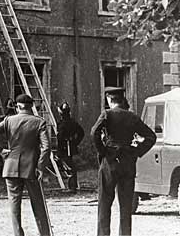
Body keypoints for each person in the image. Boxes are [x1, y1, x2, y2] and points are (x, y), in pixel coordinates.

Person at [90, 87, 156, 236]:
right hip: (128, 162)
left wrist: (103, 151)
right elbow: (151, 137)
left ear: (109, 99)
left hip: (110, 162)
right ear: (121, 99)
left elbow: (94, 133)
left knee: (104, 203)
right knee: (126, 206)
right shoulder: (132, 117)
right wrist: (136, 152)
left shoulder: (107, 114)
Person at [0, 94, 52, 236]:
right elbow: (46, 147)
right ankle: (44, 234)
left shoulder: (9, 120)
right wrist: (40, 167)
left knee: (14, 207)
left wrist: (0, 151)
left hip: (11, 166)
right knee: (38, 205)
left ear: (17, 106)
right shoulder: (39, 122)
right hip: (32, 168)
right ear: (31, 106)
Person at [56, 102, 84, 193]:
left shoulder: (62, 124)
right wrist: (75, 142)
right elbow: (81, 133)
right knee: (69, 165)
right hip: (70, 146)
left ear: (61, 113)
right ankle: (73, 185)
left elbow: (60, 137)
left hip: (65, 147)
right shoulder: (73, 122)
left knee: (69, 166)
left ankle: (72, 187)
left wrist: (59, 149)